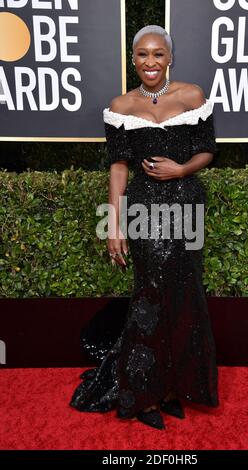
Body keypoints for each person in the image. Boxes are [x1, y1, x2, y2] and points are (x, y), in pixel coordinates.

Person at [70, 25, 219, 430]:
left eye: (157, 54)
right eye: (141, 54)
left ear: (169, 57)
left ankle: (173, 389)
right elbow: (118, 169)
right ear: (132, 59)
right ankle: (143, 393)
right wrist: (114, 225)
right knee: (150, 296)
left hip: (187, 202)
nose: (150, 62)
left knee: (183, 293)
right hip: (144, 207)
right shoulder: (120, 105)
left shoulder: (192, 95)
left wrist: (181, 168)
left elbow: (208, 149)